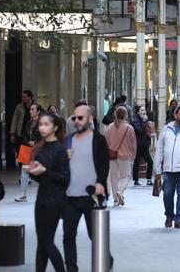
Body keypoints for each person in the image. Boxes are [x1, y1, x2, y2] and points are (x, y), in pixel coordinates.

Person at [63, 105, 112, 272]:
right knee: (68, 236)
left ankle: (107, 263)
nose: (76, 121)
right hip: (70, 197)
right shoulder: (69, 140)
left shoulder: (98, 140)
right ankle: (71, 269)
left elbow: (104, 165)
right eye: (74, 118)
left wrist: (100, 183)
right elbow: (63, 167)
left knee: (95, 236)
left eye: (80, 118)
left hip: (91, 197)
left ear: (90, 119)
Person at [27, 113, 70, 272]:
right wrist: (32, 171)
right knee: (41, 242)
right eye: (41, 125)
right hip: (41, 198)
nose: (42, 128)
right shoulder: (40, 148)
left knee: (46, 241)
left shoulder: (60, 149)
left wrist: (44, 171)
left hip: (56, 200)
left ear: (55, 127)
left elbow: (65, 178)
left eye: (46, 124)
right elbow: (40, 177)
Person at [106, 107, 137, 206]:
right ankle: (120, 190)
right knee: (126, 176)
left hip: (112, 155)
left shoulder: (110, 127)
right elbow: (133, 144)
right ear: (126, 115)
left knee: (114, 177)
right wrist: (133, 155)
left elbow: (106, 142)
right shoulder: (129, 128)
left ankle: (115, 200)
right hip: (125, 155)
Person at [16, 103, 44, 202]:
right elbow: (24, 134)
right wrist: (28, 142)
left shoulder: (42, 122)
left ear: (38, 111)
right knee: (24, 170)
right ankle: (23, 194)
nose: (31, 111)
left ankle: (44, 194)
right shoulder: (28, 123)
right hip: (27, 149)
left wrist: (35, 143)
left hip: (39, 149)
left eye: (33, 109)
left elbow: (45, 136)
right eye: (30, 109)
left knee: (41, 171)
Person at [9, 90, 34, 168]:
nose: (23, 98)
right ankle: (23, 170)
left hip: (31, 135)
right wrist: (13, 133)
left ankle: (30, 169)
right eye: (22, 97)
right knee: (22, 156)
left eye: (24, 97)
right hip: (21, 134)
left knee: (31, 155)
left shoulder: (36, 107)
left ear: (29, 98)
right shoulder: (19, 107)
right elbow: (14, 121)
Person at [132, 106, 154, 186]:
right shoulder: (135, 121)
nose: (144, 111)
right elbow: (140, 130)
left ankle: (148, 179)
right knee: (137, 162)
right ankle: (136, 180)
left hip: (145, 145)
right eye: (141, 110)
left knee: (150, 162)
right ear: (138, 112)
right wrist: (145, 122)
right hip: (138, 145)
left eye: (144, 110)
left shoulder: (145, 120)